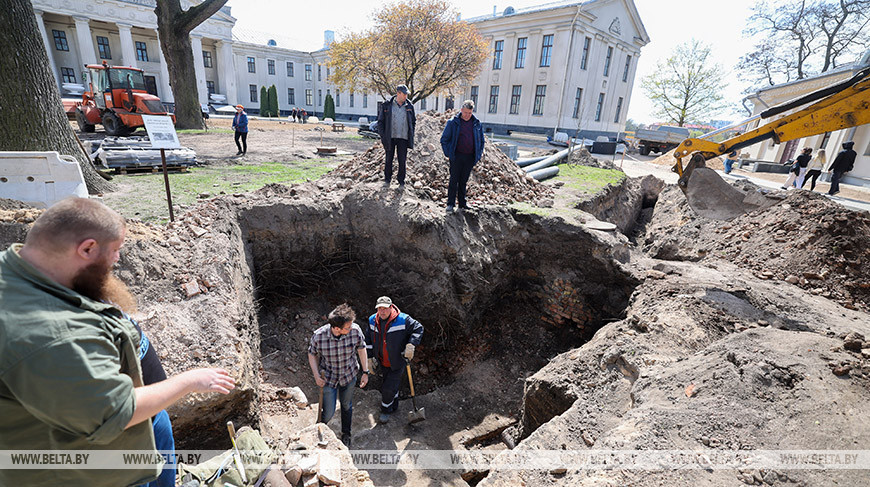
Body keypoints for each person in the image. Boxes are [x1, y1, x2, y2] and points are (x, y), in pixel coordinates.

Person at [0, 197, 235, 487]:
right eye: (115, 250)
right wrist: (191, 381)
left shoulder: (25, 272)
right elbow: (116, 412)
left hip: (141, 428)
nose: (118, 259)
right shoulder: (52, 338)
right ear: (87, 248)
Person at [307, 304, 368, 448]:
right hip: (329, 377)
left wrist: (365, 372)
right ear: (336, 328)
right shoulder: (319, 336)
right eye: (347, 327)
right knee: (328, 412)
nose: (351, 328)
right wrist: (316, 376)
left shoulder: (355, 331)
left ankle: (346, 434)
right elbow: (312, 354)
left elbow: (361, 348)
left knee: (347, 406)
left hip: (349, 375)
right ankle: (320, 431)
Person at [365, 296, 423, 424]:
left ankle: (385, 411)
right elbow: (368, 339)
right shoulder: (372, 320)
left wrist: (411, 345)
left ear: (391, 307)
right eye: (380, 308)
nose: (382, 311)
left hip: (397, 361)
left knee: (387, 388)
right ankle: (394, 405)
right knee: (389, 385)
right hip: (382, 360)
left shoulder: (403, 319)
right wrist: (369, 358)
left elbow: (418, 329)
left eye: (385, 308)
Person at [440, 100, 485, 213]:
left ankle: (462, 203)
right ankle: (450, 204)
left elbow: (481, 141)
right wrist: (449, 154)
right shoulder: (453, 123)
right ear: (461, 110)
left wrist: (478, 155)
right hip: (456, 156)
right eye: (465, 113)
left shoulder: (476, 124)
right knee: (454, 180)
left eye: (469, 113)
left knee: (463, 181)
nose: (467, 115)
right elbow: (444, 139)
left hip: (470, 157)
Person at [377, 85, 416, 187]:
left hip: (403, 137)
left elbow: (413, 121)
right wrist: (383, 137)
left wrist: (411, 134)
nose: (406, 96)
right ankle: (387, 180)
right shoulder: (387, 105)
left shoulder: (409, 106)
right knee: (389, 159)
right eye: (404, 94)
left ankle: (401, 181)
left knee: (402, 160)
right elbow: (380, 122)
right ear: (398, 93)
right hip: (390, 137)